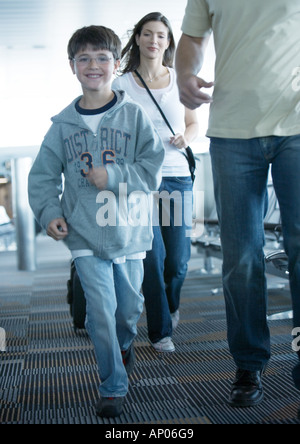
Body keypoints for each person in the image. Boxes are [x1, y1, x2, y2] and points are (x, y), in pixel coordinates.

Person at [28, 25, 165, 418]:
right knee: (100, 313)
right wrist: (50, 213)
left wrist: (116, 176)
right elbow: (41, 177)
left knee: (127, 311)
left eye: (102, 57)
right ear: (72, 66)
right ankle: (112, 385)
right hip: (85, 232)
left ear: (116, 64)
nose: (93, 65)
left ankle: (124, 347)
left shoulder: (134, 116)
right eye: (84, 58)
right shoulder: (62, 126)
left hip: (130, 232)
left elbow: (152, 170)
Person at [176, 0, 300, 407]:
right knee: (242, 256)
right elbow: (193, 37)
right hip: (231, 129)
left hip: (296, 126)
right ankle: (248, 362)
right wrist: (184, 74)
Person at [113, 12, 199, 353]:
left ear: (168, 42)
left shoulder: (181, 79)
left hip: (177, 176)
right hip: (140, 181)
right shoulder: (121, 85)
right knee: (152, 256)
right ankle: (161, 331)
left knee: (177, 261)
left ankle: (171, 304)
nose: (153, 41)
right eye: (147, 34)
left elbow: (193, 123)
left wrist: (185, 138)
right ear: (137, 39)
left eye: (161, 36)